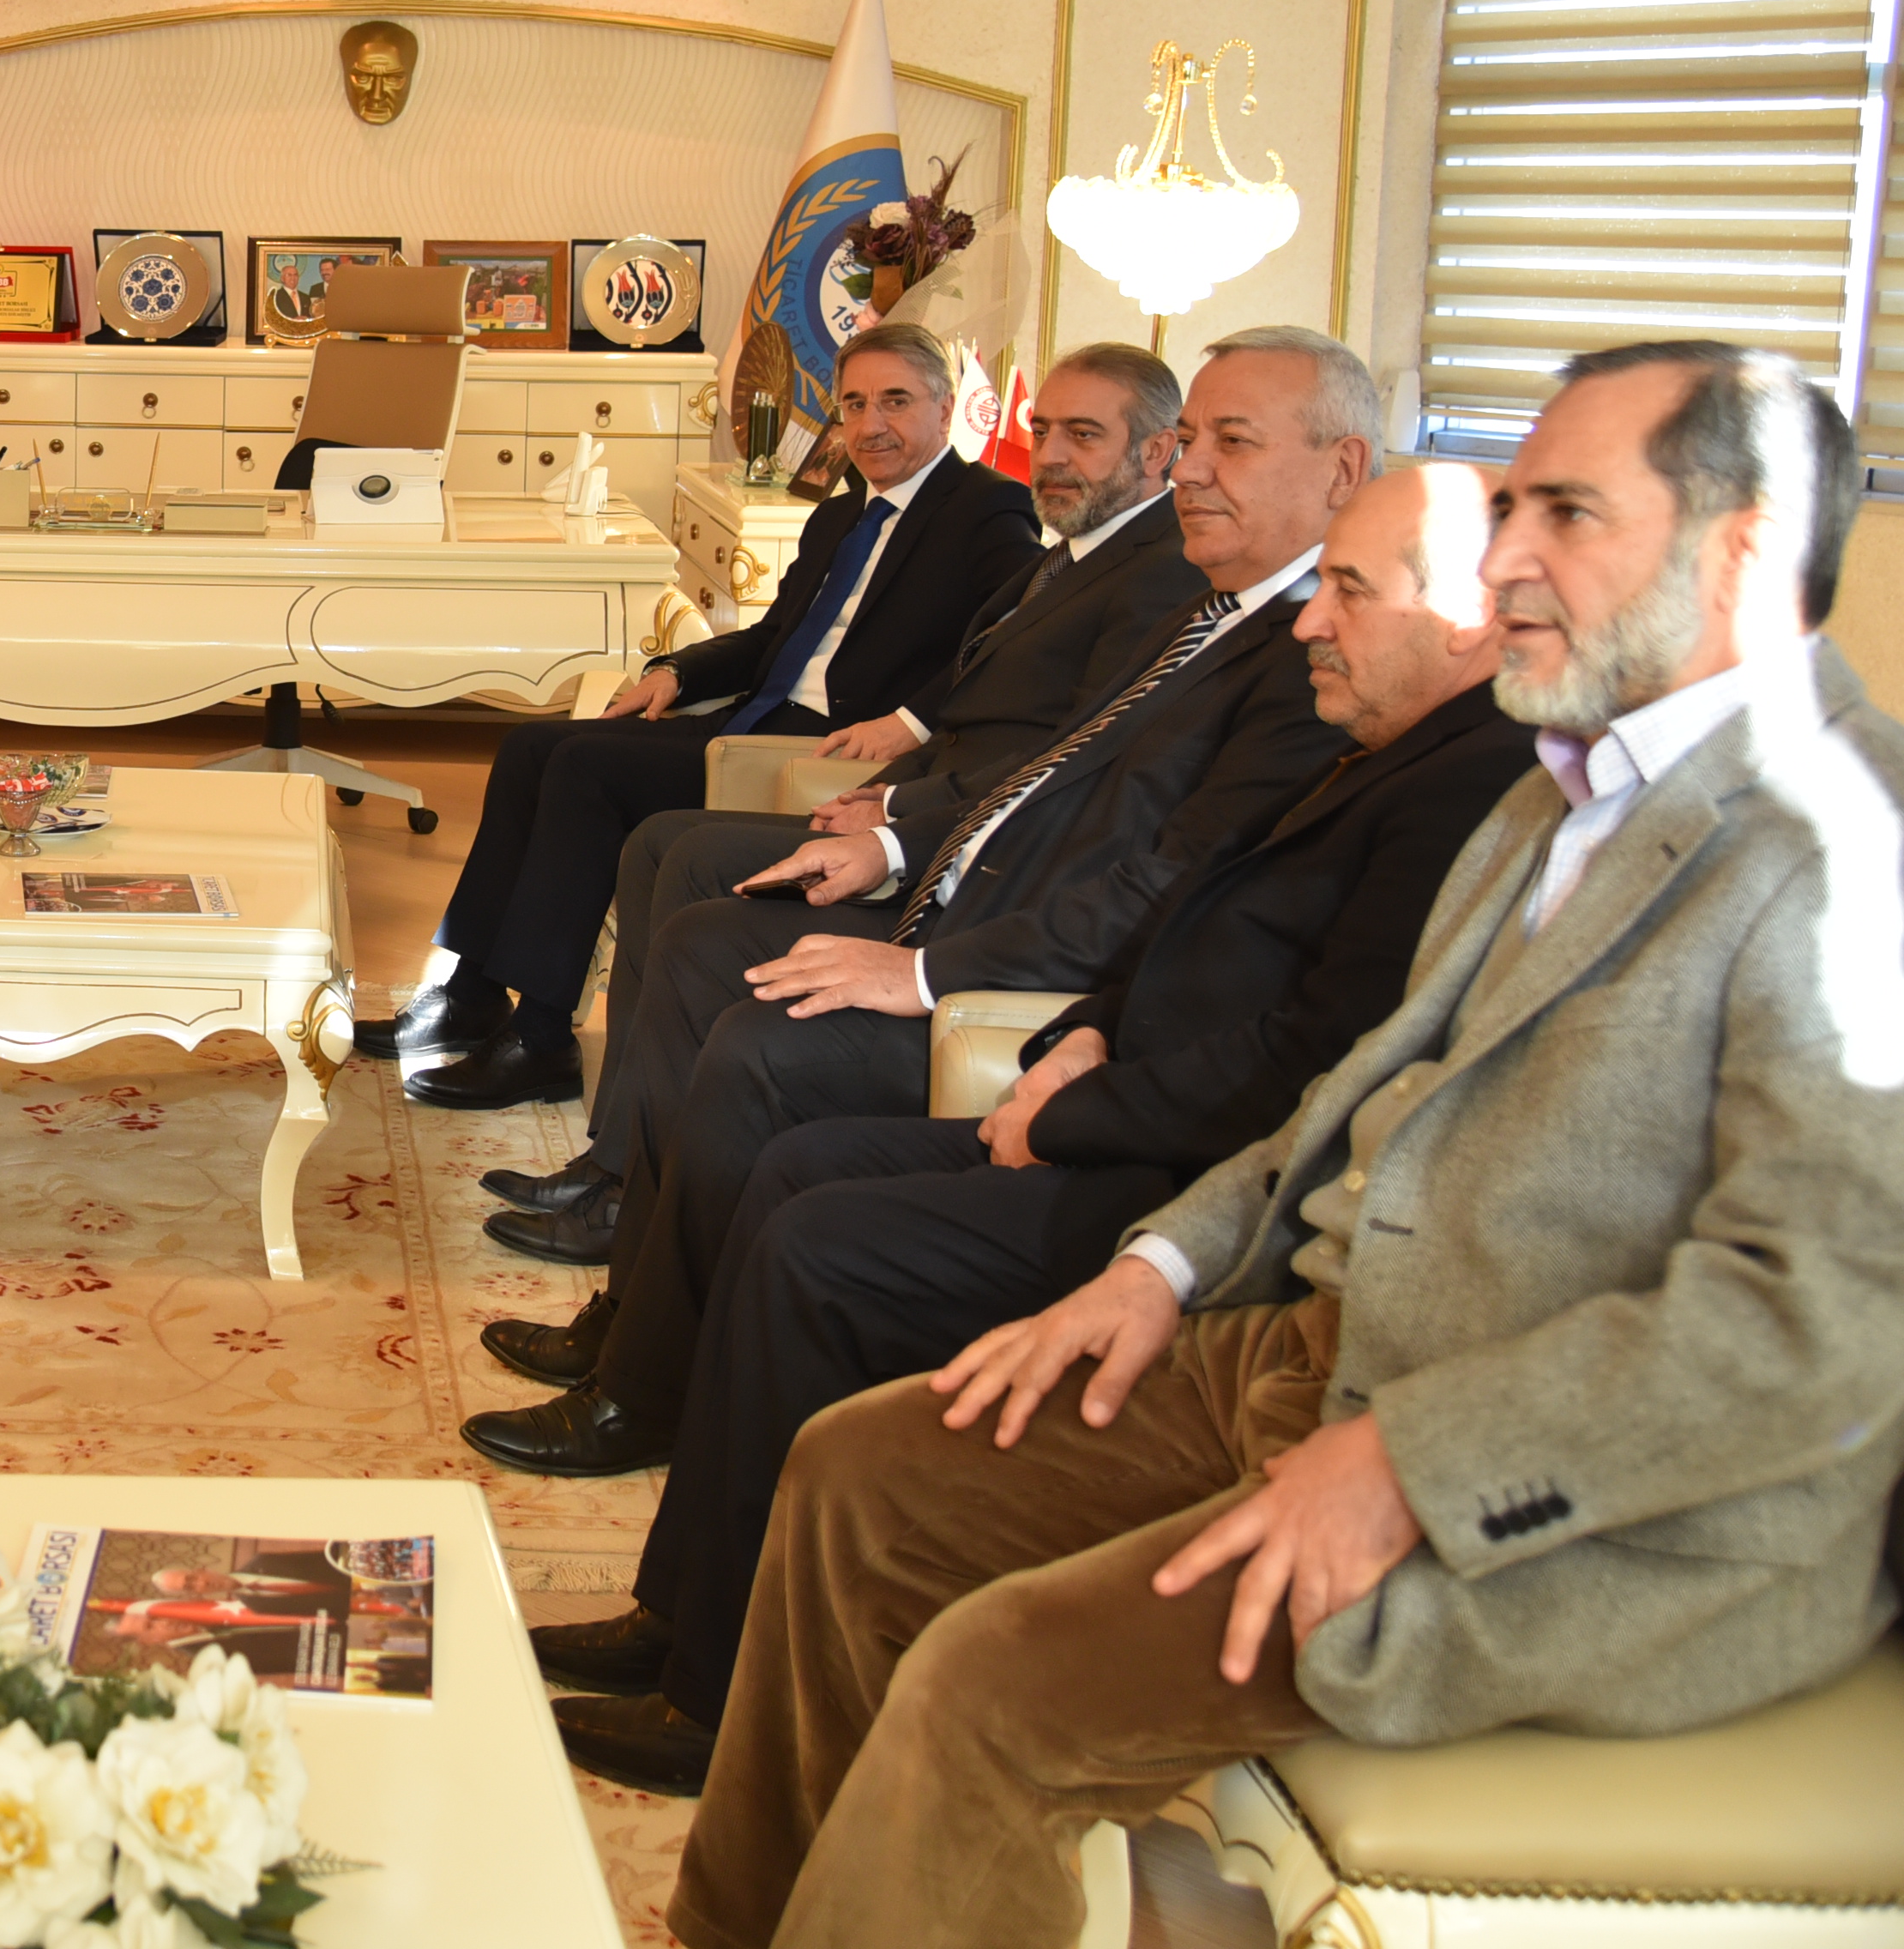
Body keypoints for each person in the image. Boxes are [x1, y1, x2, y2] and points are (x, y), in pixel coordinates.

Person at [670, 342, 1904, 1949]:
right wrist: (1160, 1266)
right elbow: (1366, 1090)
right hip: (1322, 1347)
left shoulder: (1845, 851)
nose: (1506, 563)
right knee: (863, 1475)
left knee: (994, 1683)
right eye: (1514, 509)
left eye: (1568, 515)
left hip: (1582, 1509)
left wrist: (1407, 1464)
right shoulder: (1564, 784)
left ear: (1741, 549)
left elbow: (1812, 1327)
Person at [527, 461, 1539, 1795]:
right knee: (790, 1177)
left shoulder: (1472, 785)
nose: (1314, 617)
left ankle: (721, 1696)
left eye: (1350, 590)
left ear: (1468, 615)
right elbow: (1192, 916)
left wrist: (1073, 1096)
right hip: (1107, 1071)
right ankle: (684, 1619)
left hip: (1193, 1181)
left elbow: (1314, 1059)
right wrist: (1086, 1036)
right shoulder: (1386, 729)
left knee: (815, 1234)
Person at [469, 329, 1367, 1451]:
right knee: (701, 936)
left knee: (754, 1034)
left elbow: (1160, 883)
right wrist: (897, 845)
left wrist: (930, 964)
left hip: (1026, 980)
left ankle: (640, 1389)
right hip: (969, 886)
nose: (1191, 470)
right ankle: (630, 1314)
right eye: (1192, 441)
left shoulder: (1290, 654)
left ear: (1344, 472)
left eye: (1229, 443)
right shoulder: (1212, 613)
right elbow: (1053, 770)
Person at [480, 343, 1200, 1195]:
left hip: (942, 832)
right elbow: (821, 650)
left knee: (652, 831)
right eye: (1042, 430)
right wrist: (684, 671)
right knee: (598, 793)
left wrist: (900, 795)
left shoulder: (1101, 554)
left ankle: (611, 1151)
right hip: (880, 781)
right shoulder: (1044, 552)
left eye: (1083, 434)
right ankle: (583, 1116)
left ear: (1158, 450)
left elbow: (1063, 761)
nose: (1050, 454)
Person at [391, 323, 1039, 1110]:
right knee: (530, 745)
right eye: (854, 405)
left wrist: (912, 720)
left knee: (586, 769)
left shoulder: (986, 508)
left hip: (828, 750)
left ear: (943, 407)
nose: (871, 425)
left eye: (895, 402)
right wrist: (677, 671)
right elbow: (773, 637)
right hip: (752, 718)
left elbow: (1016, 636)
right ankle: (473, 992)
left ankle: (542, 1036)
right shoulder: (839, 517)